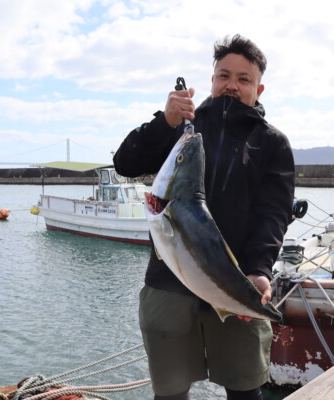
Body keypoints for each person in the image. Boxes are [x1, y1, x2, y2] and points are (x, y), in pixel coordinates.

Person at [113, 34, 295, 400]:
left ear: (259, 88)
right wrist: (164, 122)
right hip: (168, 282)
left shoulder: (272, 143)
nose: (232, 85)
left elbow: (273, 214)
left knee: (245, 388)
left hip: (236, 279)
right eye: (223, 75)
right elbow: (125, 164)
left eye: (244, 79)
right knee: (170, 390)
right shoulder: (182, 128)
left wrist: (259, 270)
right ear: (212, 80)